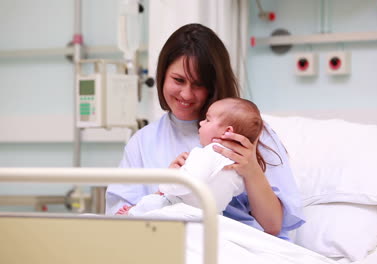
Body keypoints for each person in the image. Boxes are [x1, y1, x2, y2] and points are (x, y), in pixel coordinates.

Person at [106, 23, 304, 240]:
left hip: (236, 244)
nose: (186, 94)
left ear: (214, 85)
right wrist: (168, 188)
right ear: (163, 74)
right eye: (178, 80)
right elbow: (122, 223)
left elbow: (274, 226)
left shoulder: (249, 135)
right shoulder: (143, 142)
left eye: (198, 84)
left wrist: (251, 170)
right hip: (166, 242)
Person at [117, 98, 266, 216]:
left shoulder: (207, 153)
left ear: (226, 131)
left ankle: (131, 214)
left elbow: (182, 184)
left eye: (207, 120)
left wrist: (168, 180)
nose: (201, 122)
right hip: (212, 217)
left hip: (183, 210)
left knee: (154, 204)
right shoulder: (238, 165)